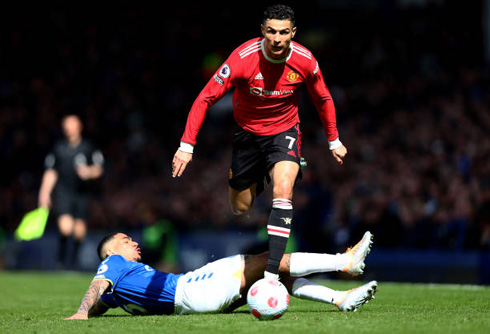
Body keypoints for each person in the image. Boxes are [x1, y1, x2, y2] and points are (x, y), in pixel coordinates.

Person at [172, 4, 347, 280]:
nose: (278, 39)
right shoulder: (242, 58)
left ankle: (271, 276)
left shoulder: (305, 60)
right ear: (263, 31)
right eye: (272, 32)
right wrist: (186, 145)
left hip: (285, 132)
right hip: (248, 137)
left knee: (285, 188)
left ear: (293, 32)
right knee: (239, 207)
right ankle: (261, 176)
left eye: (284, 32)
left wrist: (333, 139)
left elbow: (322, 97)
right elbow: (205, 97)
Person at [65, 231, 376, 319]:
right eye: (124, 240)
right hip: (191, 292)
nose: (133, 242)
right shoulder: (113, 264)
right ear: (110, 253)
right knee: (268, 260)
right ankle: (344, 261)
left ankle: (339, 298)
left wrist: (91, 312)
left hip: (194, 284)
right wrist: (80, 313)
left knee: (269, 270)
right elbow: (96, 285)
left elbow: (101, 299)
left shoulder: (116, 287)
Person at [38, 114, 104, 270]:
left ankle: (73, 263)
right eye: (66, 125)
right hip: (64, 192)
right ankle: (60, 260)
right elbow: (51, 172)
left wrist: (89, 172)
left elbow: (99, 169)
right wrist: (44, 192)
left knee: (79, 232)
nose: (69, 128)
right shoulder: (59, 148)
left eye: (72, 124)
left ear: (79, 127)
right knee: (65, 228)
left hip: (81, 194)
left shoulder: (88, 147)